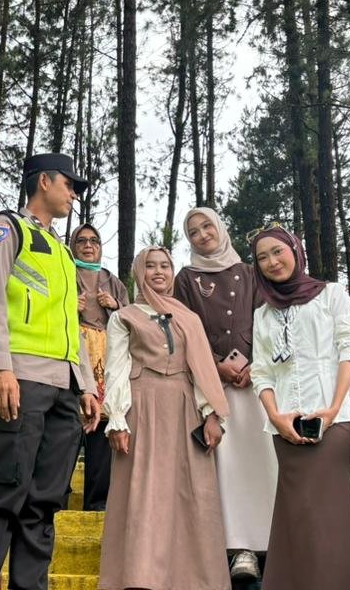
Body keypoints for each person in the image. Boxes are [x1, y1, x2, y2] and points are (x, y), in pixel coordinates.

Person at [0, 153, 100, 590]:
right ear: (43, 182)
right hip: (19, 383)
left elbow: (68, 324)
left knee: (43, 505)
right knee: (4, 495)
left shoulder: (61, 250)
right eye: (69, 184)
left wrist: (87, 386)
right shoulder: (7, 228)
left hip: (63, 392)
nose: (74, 194)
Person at [249, 227, 350, 590]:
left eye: (278, 251)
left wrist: (333, 408)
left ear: (294, 249)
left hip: (332, 420)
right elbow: (262, 370)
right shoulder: (264, 313)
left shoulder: (331, 295)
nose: (272, 262)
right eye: (262, 257)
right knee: (296, 516)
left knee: (324, 514)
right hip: (284, 424)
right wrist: (275, 415)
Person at [98, 247, 231, 590]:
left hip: (185, 407)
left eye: (165, 266)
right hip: (142, 406)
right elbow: (116, 369)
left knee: (191, 492)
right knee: (143, 491)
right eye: (150, 266)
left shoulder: (188, 317)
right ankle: (140, 576)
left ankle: (194, 580)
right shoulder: (124, 316)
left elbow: (199, 368)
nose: (158, 272)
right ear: (139, 272)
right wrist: (117, 418)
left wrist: (210, 414)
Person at [173, 207, 276, 582]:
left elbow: (267, 321)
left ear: (220, 228)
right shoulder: (186, 278)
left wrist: (255, 364)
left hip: (254, 382)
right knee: (227, 467)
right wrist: (215, 365)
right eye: (193, 231)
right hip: (212, 384)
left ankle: (271, 542)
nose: (202, 235)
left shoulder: (250, 273)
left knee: (262, 461)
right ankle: (239, 548)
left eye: (207, 226)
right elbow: (184, 328)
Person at [70, 222, 130, 511]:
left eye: (94, 240)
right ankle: (57, 497)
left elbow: (132, 319)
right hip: (74, 350)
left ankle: (97, 501)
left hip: (107, 355)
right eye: (81, 240)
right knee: (70, 425)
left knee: (101, 425)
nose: (88, 245)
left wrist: (116, 306)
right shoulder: (66, 273)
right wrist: (70, 308)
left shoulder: (112, 280)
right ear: (73, 245)